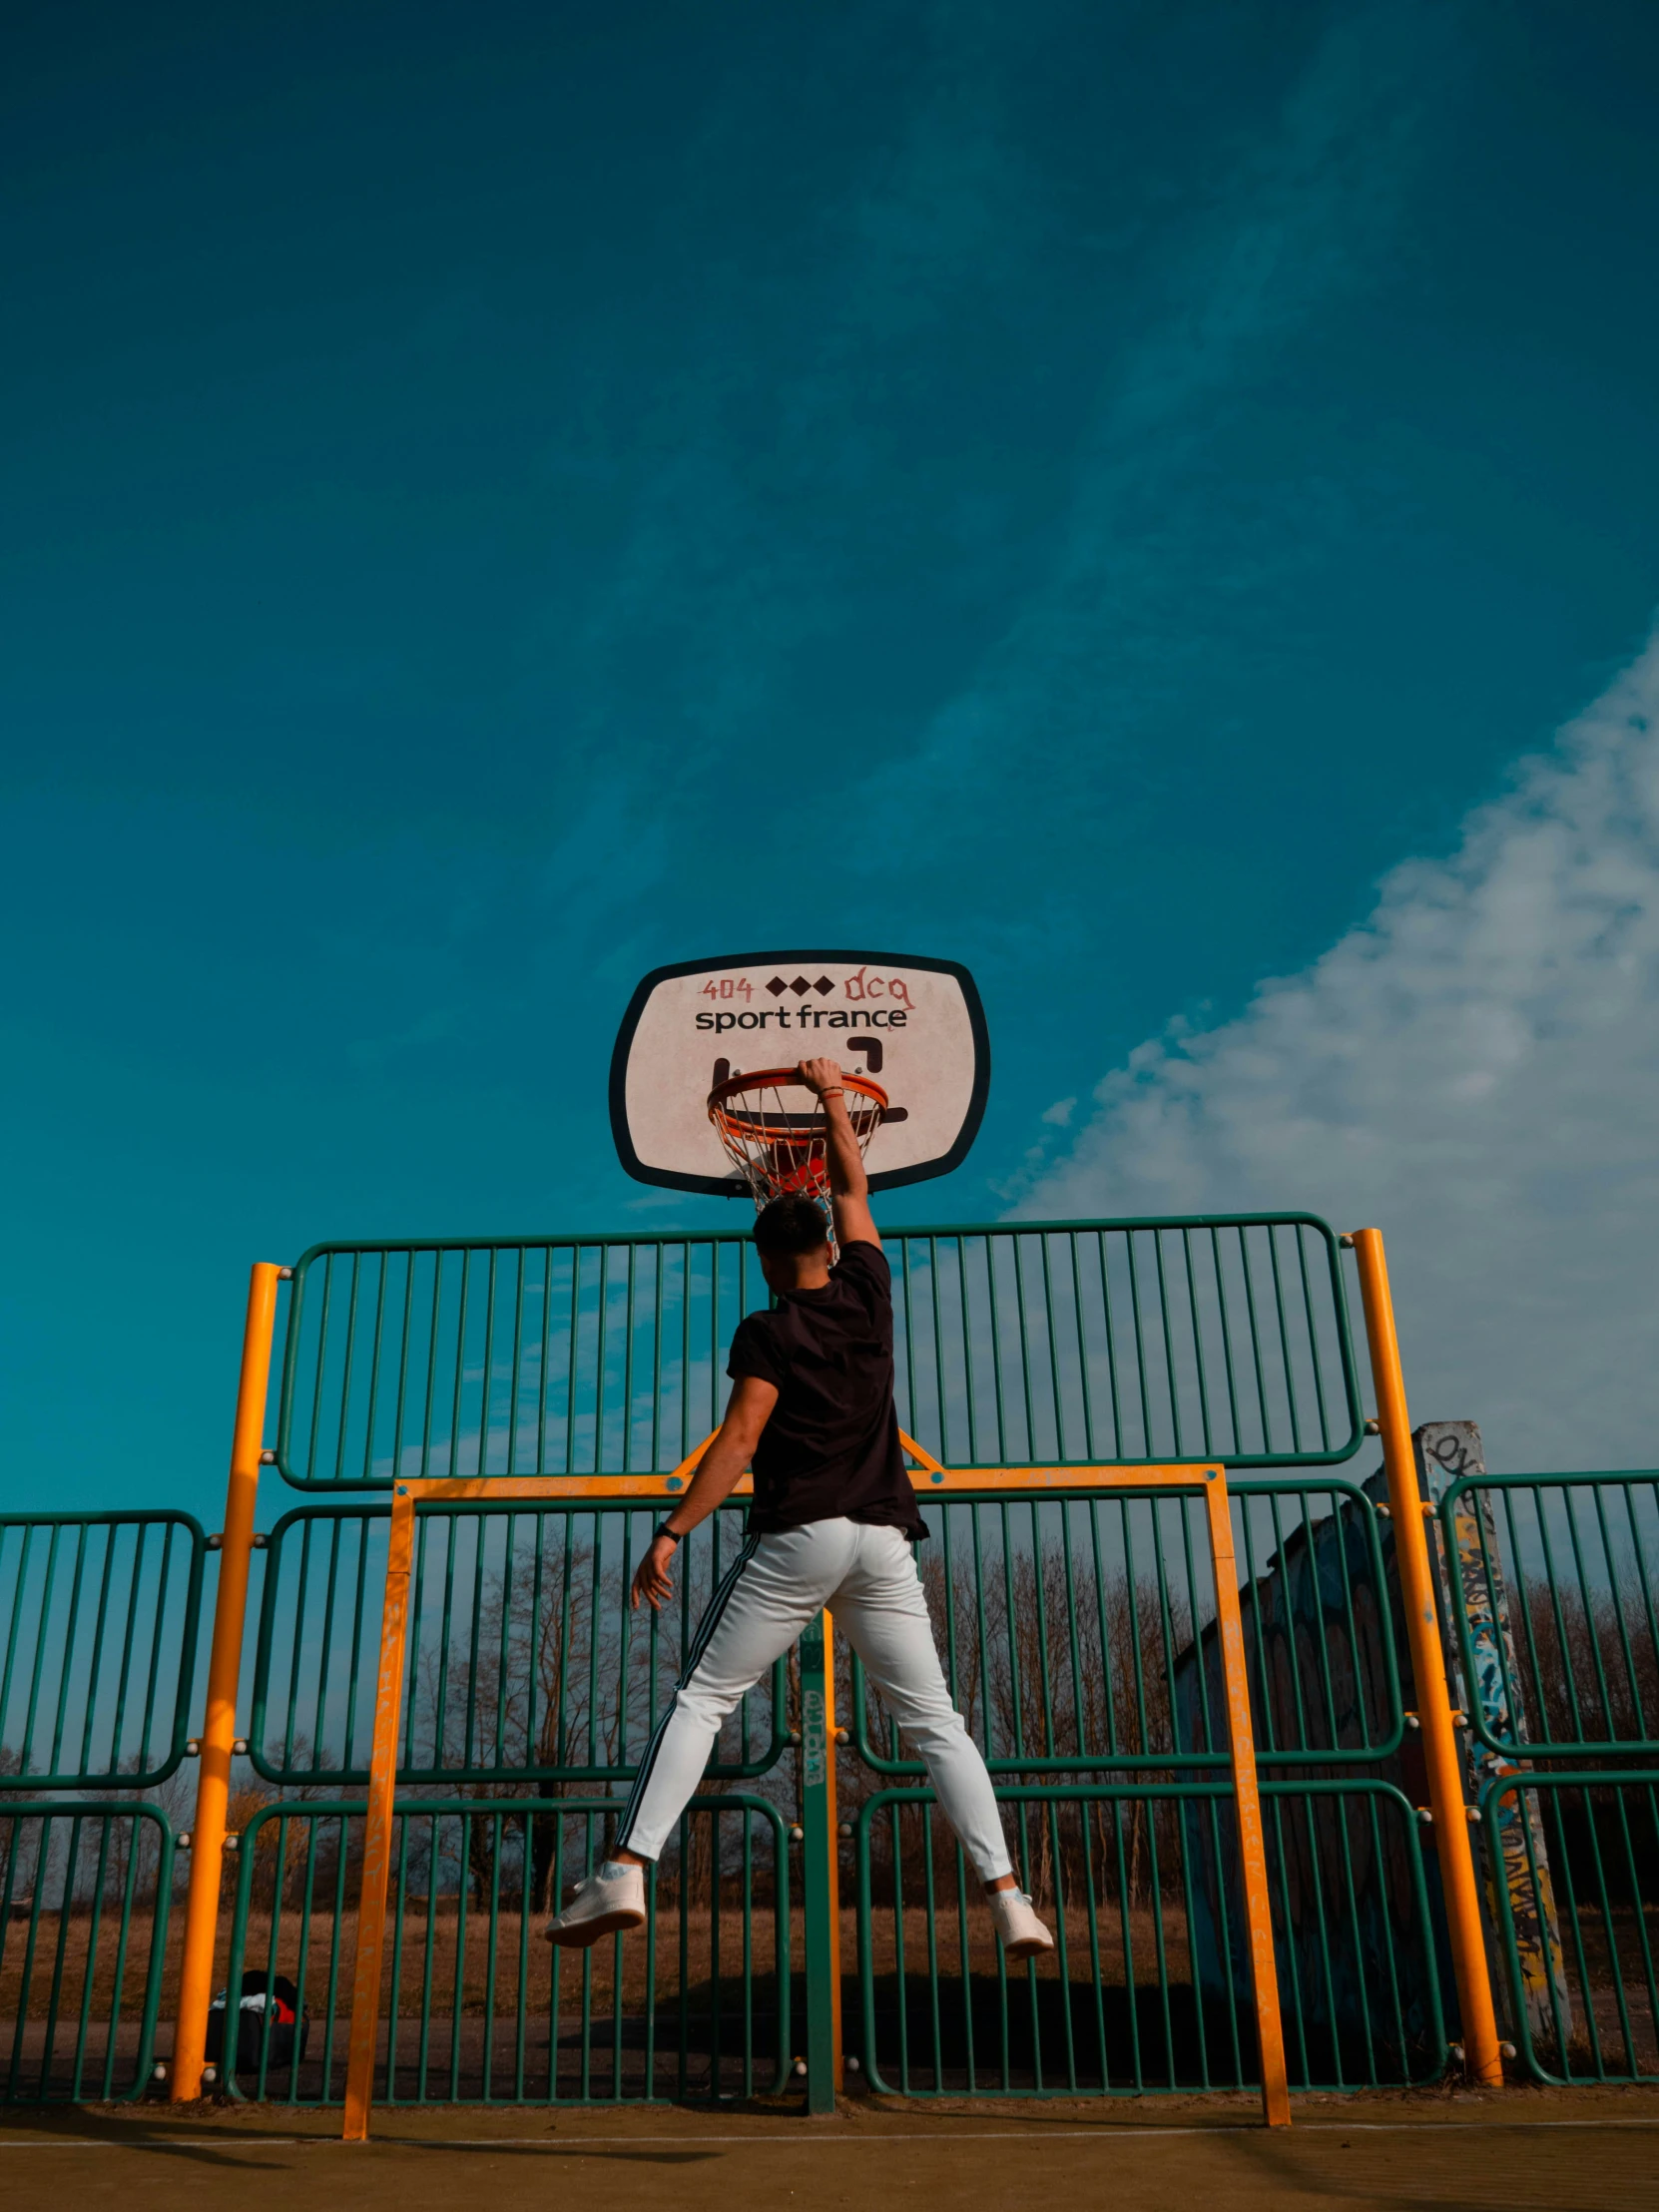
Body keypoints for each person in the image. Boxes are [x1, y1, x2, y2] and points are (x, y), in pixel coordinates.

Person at [543, 1056, 1053, 1960]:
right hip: (885, 1540)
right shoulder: (869, 1296)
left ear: (767, 1261)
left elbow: (739, 1442)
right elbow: (853, 1183)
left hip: (800, 1537)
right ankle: (1009, 1896)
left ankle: (624, 1868)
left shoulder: (766, 1330)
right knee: (937, 1725)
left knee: (701, 1700)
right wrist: (828, 1094)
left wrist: (671, 1532)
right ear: (826, 1246)